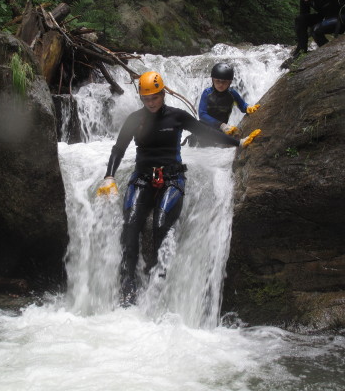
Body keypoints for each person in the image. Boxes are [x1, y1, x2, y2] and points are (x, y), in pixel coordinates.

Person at [96, 71, 259, 306]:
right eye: (146, 99)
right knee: (131, 224)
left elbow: (207, 132)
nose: (150, 103)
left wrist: (238, 142)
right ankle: (127, 286)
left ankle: (157, 285)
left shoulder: (177, 117)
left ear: (163, 94)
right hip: (142, 177)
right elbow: (118, 148)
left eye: (154, 97)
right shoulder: (134, 119)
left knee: (161, 223)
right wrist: (109, 176)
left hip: (172, 178)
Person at [197, 62, 260, 140]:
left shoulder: (232, 94)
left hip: (221, 131)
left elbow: (242, 106)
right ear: (212, 80)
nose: (220, 84)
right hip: (204, 130)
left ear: (230, 82)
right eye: (218, 81)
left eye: (224, 82)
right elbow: (202, 114)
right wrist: (222, 125)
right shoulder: (207, 93)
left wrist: (248, 108)